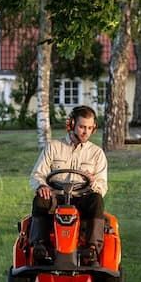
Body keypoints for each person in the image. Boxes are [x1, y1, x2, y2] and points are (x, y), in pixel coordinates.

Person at [28, 105, 108, 265]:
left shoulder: (97, 153)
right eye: (82, 127)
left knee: (97, 199)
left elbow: (102, 184)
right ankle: (40, 247)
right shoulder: (53, 147)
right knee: (40, 200)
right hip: (56, 198)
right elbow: (37, 174)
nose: (86, 132)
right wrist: (41, 186)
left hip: (82, 198)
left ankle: (92, 249)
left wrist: (93, 183)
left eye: (90, 128)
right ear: (71, 124)